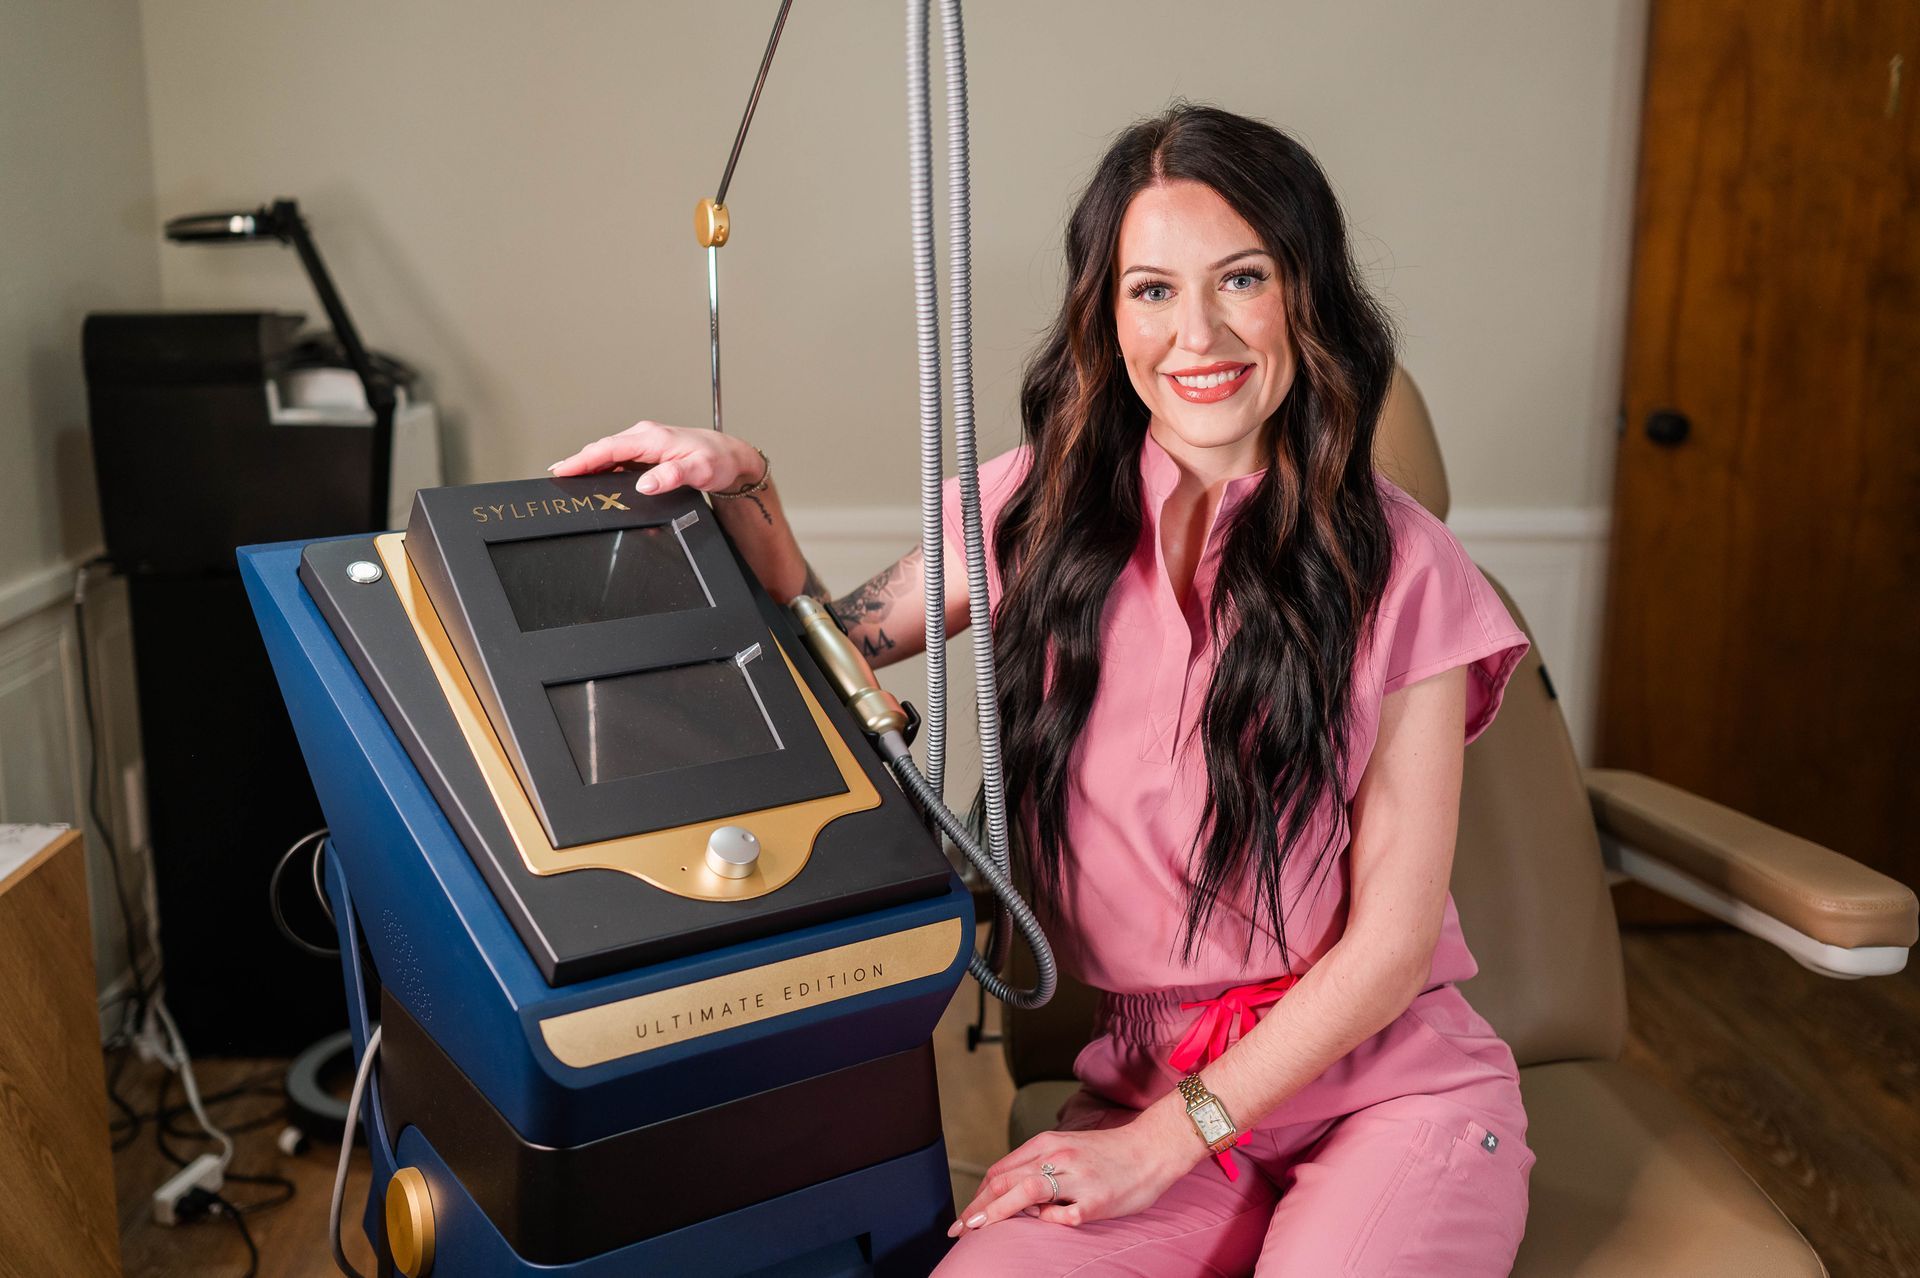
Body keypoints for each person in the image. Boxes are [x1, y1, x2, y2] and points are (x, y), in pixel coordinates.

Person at [551, 102, 1534, 1277]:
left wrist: (1166, 1143)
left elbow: (1388, 951)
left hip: (1391, 1098)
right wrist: (746, 487)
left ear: (1306, 294)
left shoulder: (1409, 566)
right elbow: (834, 658)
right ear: (1106, 315)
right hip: (1146, 1087)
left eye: (1243, 278)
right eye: (1153, 290)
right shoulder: (1036, 510)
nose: (1199, 332)